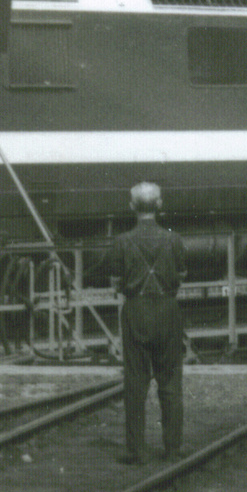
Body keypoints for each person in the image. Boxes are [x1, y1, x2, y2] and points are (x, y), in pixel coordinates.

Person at [107, 181, 187, 465]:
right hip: (167, 309)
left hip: (136, 311)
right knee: (170, 381)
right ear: (159, 205)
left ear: (131, 207)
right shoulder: (174, 239)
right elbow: (181, 275)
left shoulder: (121, 241)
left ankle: (136, 450)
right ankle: (173, 449)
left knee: (135, 382)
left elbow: (116, 282)